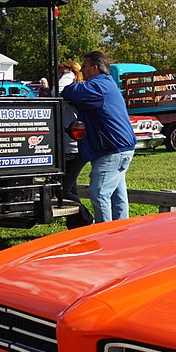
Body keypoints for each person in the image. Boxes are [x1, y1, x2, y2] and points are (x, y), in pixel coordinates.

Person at [61, 51, 136, 223]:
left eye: (85, 67)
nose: (82, 71)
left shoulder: (98, 87)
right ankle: (121, 231)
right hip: (120, 147)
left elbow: (70, 91)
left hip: (111, 150)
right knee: (118, 195)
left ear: (95, 68)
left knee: (99, 191)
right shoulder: (107, 84)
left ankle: (104, 233)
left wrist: (68, 81)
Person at [57, 61, 93, 229]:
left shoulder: (71, 86)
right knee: (72, 187)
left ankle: (86, 219)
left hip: (71, 147)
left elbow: (59, 90)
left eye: (60, 72)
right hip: (67, 146)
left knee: (63, 191)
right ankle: (75, 226)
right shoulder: (78, 88)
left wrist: (67, 74)